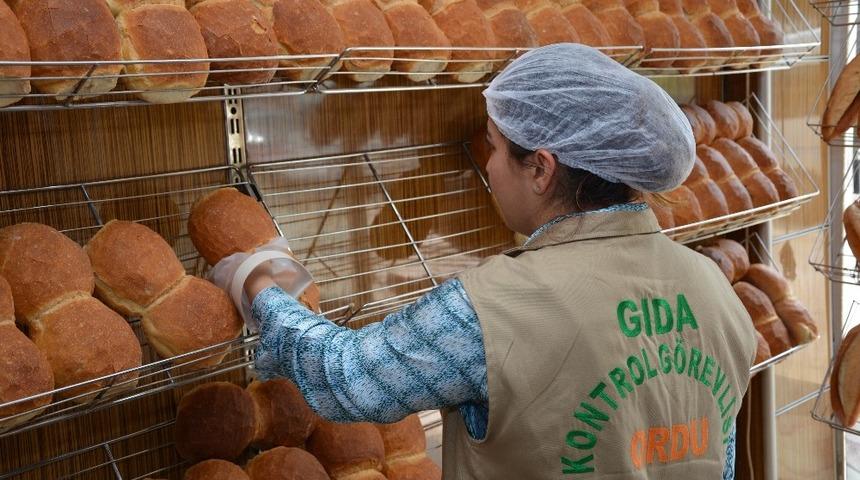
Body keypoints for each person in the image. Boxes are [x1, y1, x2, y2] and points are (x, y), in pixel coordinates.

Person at [213, 43, 756, 479]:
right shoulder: (713, 286)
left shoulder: (493, 307)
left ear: (542, 169)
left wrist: (260, 282)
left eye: (495, 148)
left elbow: (344, 377)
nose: (490, 167)